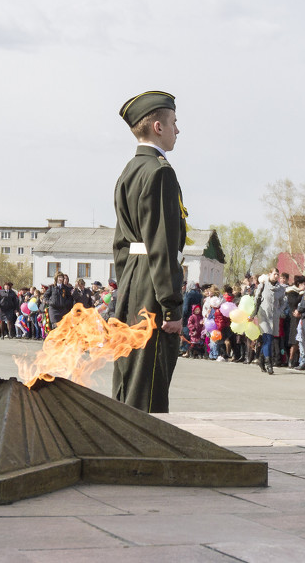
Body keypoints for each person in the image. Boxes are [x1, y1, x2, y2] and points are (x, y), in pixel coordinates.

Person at [110, 90, 187, 413]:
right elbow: (163, 244)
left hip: (132, 282)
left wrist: (126, 285)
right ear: (158, 126)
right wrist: (171, 307)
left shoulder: (129, 171)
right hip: (153, 289)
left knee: (128, 374)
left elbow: (120, 244)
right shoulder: (159, 171)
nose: (177, 130)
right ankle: (143, 453)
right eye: (174, 123)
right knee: (149, 379)